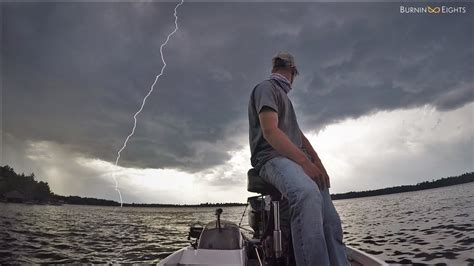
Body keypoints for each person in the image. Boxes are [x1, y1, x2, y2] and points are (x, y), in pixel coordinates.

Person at [248, 52, 349, 266]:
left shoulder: (285, 100)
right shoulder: (267, 89)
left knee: (329, 220)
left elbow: (299, 136)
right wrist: (305, 163)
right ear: (293, 72)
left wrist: (318, 164)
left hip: (294, 160)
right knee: (306, 192)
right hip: (271, 158)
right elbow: (270, 132)